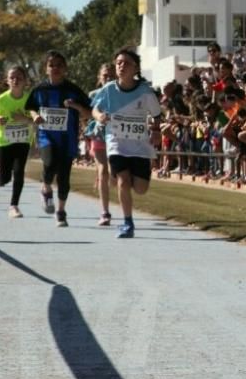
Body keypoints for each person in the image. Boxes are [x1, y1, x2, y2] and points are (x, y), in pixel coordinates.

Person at [91, 48, 162, 238]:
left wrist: (156, 131)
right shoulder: (108, 89)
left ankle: (122, 179)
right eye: (118, 63)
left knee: (140, 189)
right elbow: (95, 109)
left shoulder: (145, 91)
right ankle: (128, 223)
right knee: (123, 181)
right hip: (116, 143)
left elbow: (156, 115)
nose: (121, 66)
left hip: (139, 146)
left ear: (135, 68)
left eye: (126, 63)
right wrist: (100, 117)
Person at [25, 51, 93, 228]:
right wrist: (34, 116)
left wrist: (75, 106)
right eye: (51, 65)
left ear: (65, 69)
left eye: (59, 65)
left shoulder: (73, 90)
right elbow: (30, 108)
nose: (55, 68)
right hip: (46, 135)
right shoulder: (40, 90)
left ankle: (61, 211)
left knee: (64, 177)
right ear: (46, 69)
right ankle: (46, 189)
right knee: (49, 164)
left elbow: (89, 113)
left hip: (67, 139)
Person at [0, 66, 34, 218]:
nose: (15, 80)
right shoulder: (1, 100)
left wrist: (25, 119)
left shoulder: (30, 99)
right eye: (12, 78)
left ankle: (14, 206)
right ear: (7, 81)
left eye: (19, 78)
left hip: (23, 140)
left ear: (25, 81)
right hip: (3, 141)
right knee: (5, 178)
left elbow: (36, 120)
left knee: (19, 171)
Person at [87, 63, 117, 225]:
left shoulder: (122, 94)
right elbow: (88, 114)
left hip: (117, 138)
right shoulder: (93, 95)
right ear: (100, 77)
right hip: (99, 136)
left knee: (114, 174)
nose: (108, 78)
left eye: (111, 75)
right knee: (103, 171)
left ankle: (102, 180)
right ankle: (105, 212)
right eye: (105, 75)